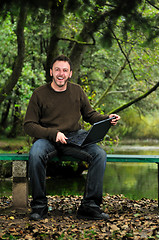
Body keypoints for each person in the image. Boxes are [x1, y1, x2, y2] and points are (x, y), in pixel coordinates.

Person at [24, 55, 120, 221]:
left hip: (74, 138)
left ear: (70, 73)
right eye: (57, 70)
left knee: (99, 154)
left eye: (65, 70)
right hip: (48, 138)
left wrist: (107, 118)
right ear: (51, 72)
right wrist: (53, 133)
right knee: (35, 153)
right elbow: (29, 125)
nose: (61, 73)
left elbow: (90, 115)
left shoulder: (77, 91)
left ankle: (89, 207)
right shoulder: (39, 94)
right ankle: (39, 206)